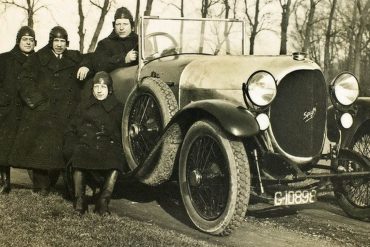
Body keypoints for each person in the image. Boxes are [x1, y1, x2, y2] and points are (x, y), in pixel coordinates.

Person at [9, 26, 89, 195]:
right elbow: (24, 81)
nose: (59, 45)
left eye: (62, 41)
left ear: (67, 43)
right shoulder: (37, 58)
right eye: (56, 41)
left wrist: (85, 66)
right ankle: (41, 186)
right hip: (43, 113)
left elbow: (91, 59)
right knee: (41, 151)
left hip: (65, 112)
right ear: (51, 41)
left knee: (62, 149)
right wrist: (37, 102)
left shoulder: (74, 57)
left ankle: (63, 185)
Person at [63, 71, 125, 215]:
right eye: (96, 86)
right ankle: (80, 201)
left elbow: (121, 131)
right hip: (86, 143)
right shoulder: (84, 106)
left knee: (116, 160)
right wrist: (71, 144)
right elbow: (71, 128)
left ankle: (103, 202)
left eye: (103, 87)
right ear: (92, 89)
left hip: (107, 145)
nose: (99, 90)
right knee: (78, 156)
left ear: (109, 90)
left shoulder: (118, 108)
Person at [0, 26, 36, 194]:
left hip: (29, 110)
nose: (28, 43)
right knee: (5, 146)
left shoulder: (38, 61)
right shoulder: (5, 59)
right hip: (8, 110)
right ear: (18, 41)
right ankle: (5, 182)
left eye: (31, 40)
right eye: (25, 39)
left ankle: (39, 184)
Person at [87, 7, 138, 74]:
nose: (121, 28)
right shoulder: (104, 44)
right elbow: (98, 65)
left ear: (132, 26)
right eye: (118, 24)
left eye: (125, 24)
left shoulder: (140, 42)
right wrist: (124, 59)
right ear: (114, 25)